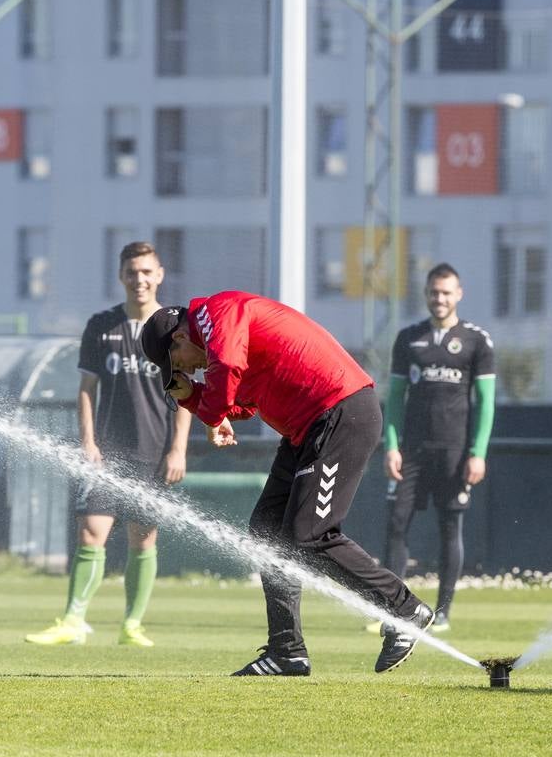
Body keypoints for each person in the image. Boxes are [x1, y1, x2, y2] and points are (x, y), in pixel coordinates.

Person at [140, 292, 434, 676]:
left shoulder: (216, 314)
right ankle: (286, 651)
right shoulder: (217, 341)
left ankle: (404, 609)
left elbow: (227, 369)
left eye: (176, 365)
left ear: (179, 338)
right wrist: (194, 399)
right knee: (267, 533)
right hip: (305, 430)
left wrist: (209, 411)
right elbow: (242, 406)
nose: (187, 372)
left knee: (309, 534)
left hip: (340, 412)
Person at [25, 242, 191, 648]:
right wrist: (88, 441)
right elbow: (86, 389)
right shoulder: (102, 326)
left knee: (144, 539)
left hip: (154, 455)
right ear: (121, 276)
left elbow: (186, 393)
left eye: (147, 272)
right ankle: (73, 620)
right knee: (90, 535)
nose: (140, 279)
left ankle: (132, 625)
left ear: (160, 274)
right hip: (107, 455)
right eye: (132, 272)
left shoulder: (175, 330)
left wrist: (178, 450)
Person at [375, 263, 495, 634]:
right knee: (396, 526)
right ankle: (393, 612)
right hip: (411, 452)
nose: (439, 299)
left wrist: (478, 452)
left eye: (446, 292)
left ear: (459, 294)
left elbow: (486, 402)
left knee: (449, 527)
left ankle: (442, 613)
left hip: (455, 453)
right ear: (425, 294)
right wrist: (391, 446)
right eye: (433, 292)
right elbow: (395, 397)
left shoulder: (477, 341)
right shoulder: (408, 338)